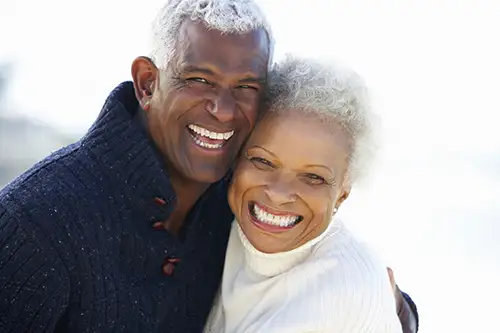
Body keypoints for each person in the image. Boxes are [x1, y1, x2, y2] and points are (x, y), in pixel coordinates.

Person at [0, 0, 417, 332]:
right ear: (148, 83)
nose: (222, 109)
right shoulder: (35, 223)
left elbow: (321, 272)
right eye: (198, 79)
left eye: (246, 87)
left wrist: (392, 308)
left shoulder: (235, 198)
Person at [204, 55, 412, 333]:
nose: (278, 194)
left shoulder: (350, 291)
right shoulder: (209, 225)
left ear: (342, 194)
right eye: (263, 161)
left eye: (313, 177)